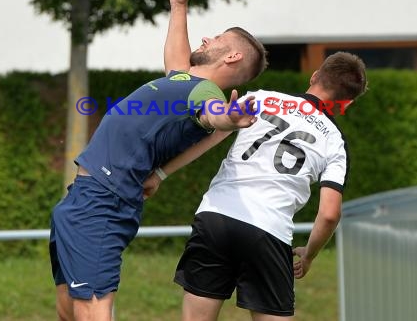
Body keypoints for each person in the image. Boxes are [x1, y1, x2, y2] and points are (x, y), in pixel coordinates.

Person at [49, 0, 268, 321]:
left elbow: (214, 117)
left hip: (104, 200)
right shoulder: (185, 81)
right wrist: (179, 4)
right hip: (83, 196)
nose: (206, 39)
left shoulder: (206, 93)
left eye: (216, 39)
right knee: (68, 310)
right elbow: (178, 64)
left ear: (232, 57)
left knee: (92, 310)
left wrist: (229, 118)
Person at [145, 51, 367, 320]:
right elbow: (330, 214)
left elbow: (208, 138)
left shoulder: (260, 98)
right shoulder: (334, 141)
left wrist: (159, 174)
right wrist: (308, 254)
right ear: (347, 104)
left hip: (217, 216)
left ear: (315, 76)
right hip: (270, 231)